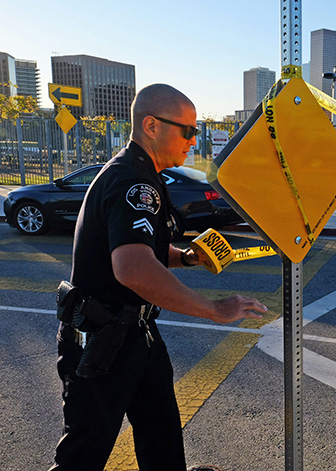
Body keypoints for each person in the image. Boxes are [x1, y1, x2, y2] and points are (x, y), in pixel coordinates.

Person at [50, 84, 267, 470]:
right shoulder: (133, 182)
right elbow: (133, 267)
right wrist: (215, 309)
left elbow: (140, 244)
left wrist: (185, 257)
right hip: (103, 342)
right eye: (187, 129)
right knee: (83, 454)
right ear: (151, 125)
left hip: (135, 336)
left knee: (161, 433)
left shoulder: (144, 175)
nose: (194, 138)